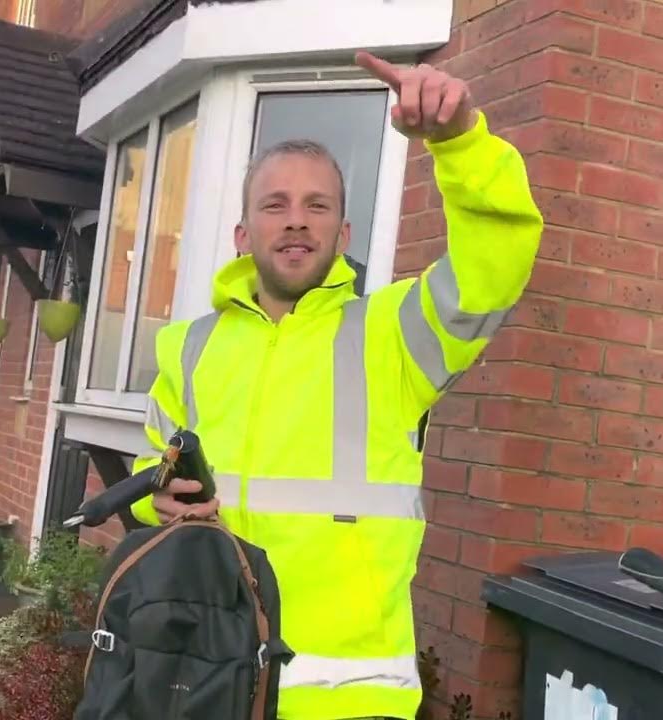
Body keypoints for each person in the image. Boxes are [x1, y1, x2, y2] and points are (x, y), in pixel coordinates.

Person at [127, 52, 544, 720]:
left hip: (347, 699)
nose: (296, 220)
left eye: (316, 205)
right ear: (242, 234)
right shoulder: (188, 346)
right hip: (207, 679)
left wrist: (460, 142)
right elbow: (151, 471)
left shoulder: (395, 333)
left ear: (343, 232)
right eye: (276, 204)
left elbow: (493, 267)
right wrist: (159, 501)